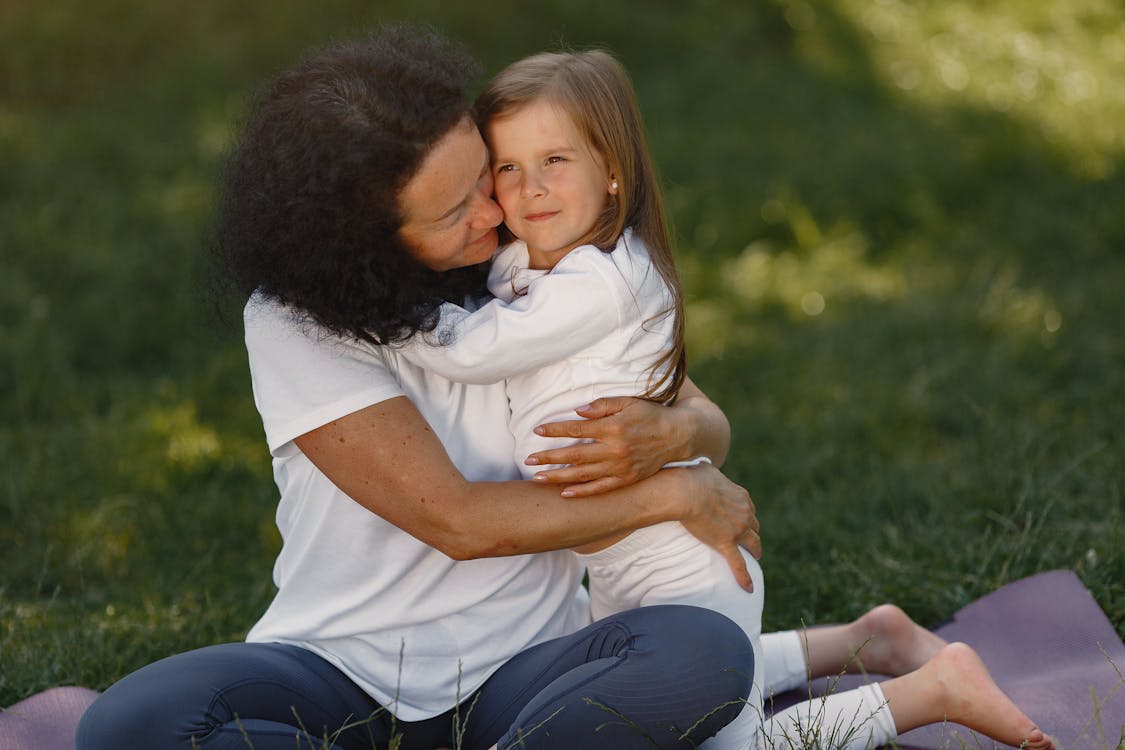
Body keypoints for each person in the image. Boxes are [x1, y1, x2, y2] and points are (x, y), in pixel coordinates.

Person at [76, 25, 759, 750]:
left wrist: (679, 438)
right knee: (128, 725)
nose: (496, 213)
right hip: (343, 671)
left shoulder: (529, 268)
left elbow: (695, 409)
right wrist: (671, 493)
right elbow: (459, 523)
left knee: (705, 653)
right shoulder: (294, 322)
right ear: (364, 240)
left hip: (525, 672)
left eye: (483, 176)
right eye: (454, 211)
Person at [392, 49, 1055, 750]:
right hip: (612, 569)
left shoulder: (601, 281)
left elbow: (471, 350)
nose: (531, 189)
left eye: (555, 161)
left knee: (729, 742)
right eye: (508, 168)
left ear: (612, 171)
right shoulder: (528, 263)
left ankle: (932, 689)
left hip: (685, 561)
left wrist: (380, 312)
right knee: (638, 693)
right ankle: (867, 639)